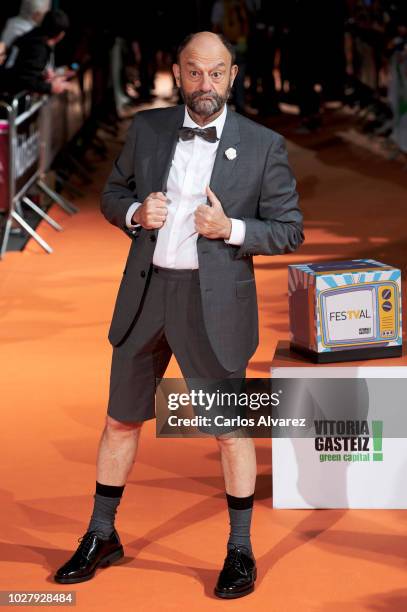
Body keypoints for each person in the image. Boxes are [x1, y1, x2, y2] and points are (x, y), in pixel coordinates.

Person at [53, 31, 304, 599]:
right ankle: (100, 534)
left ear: (234, 75)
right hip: (146, 297)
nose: (205, 85)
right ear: (178, 72)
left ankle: (239, 550)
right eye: (194, 73)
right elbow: (112, 194)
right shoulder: (147, 128)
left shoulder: (264, 145)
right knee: (121, 420)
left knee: (230, 432)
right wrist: (136, 213)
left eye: (216, 73)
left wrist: (232, 229)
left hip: (213, 305)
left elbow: (289, 229)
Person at [1, 9, 70, 95]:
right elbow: (25, 79)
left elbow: (21, 69)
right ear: (60, 35)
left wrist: (42, 75)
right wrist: (51, 87)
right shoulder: (38, 49)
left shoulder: (33, 35)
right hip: (9, 93)